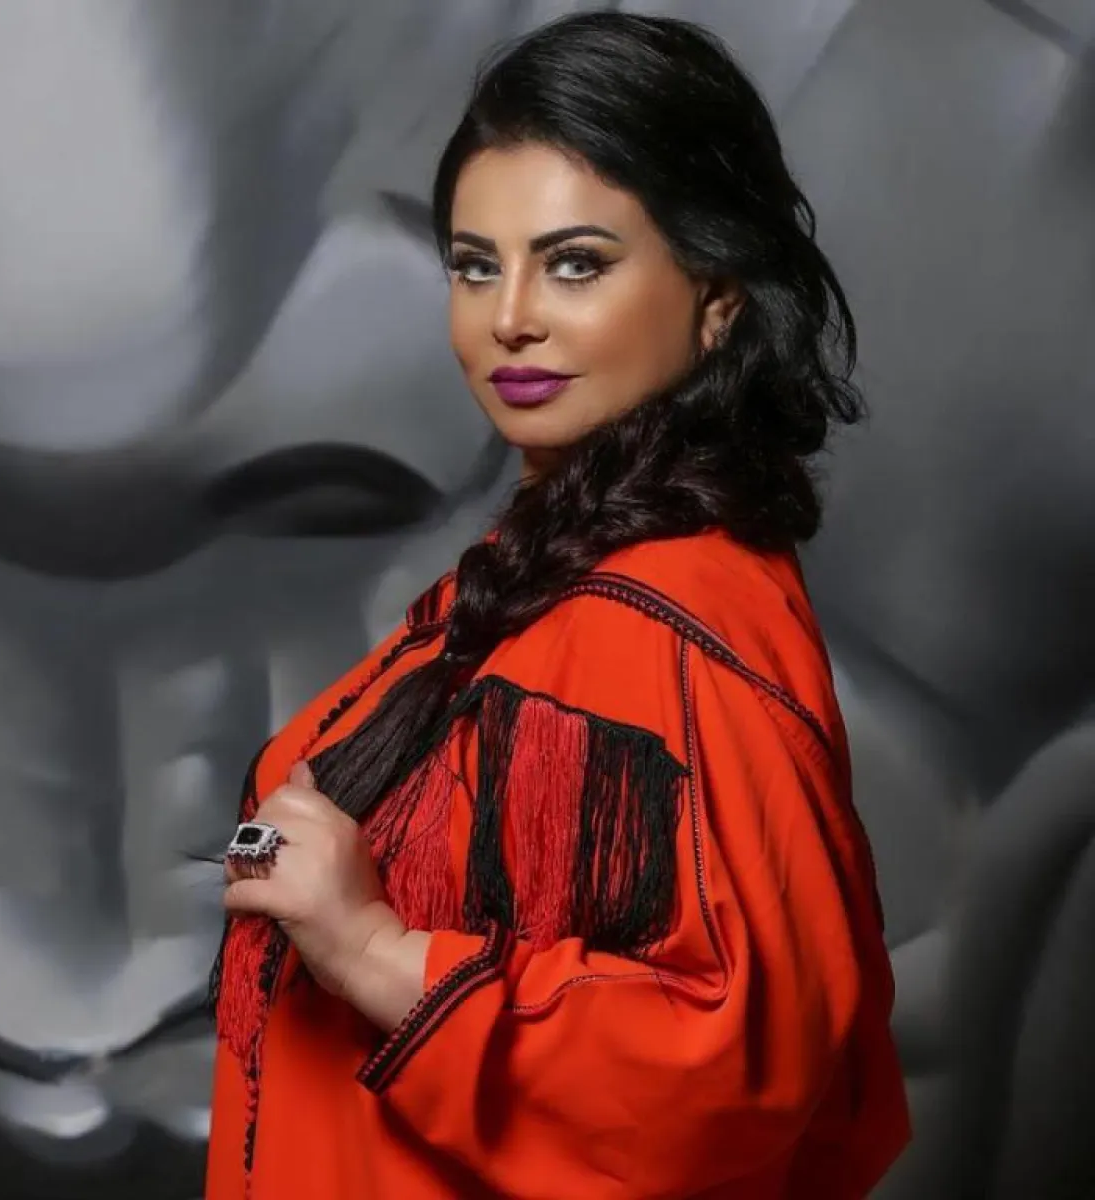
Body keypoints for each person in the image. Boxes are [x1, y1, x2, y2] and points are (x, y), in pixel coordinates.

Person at [205, 11, 912, 1198]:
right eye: (475, 264)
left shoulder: (664, 628)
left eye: (575, 262)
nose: (509, 317)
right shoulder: (540, 580)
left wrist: (375, 951)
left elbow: (733, 1075)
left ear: (717, 296)